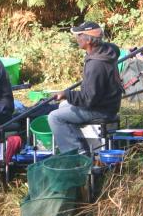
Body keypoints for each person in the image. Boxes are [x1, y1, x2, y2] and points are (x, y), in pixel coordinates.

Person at [48, 21, 123, 155]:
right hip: (109, 104)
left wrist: (67, 94)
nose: (77, 39)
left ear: (88, 40)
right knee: (63, 106)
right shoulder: (107, 51)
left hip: (101, 110)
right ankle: (80, 143)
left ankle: (76, 154)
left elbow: (89, 99)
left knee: (54, 117)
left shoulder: (96, 65)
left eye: (79, 35)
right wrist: (67, 97)